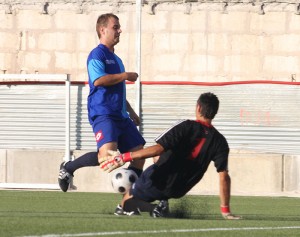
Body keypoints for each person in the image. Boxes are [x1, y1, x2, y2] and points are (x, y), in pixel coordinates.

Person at [99, 92, 241, 219]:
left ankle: (154, 208)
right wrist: (225, 211)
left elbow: (157, 149)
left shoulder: (185, 126)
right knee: (159, 168)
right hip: (181, 188)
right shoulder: (220, 141)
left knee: (126, 204)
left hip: (159, 180)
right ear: (214, 112)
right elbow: (224, 177)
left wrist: (124, 157)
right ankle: (162, 202)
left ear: (198, 108)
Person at [58, 13, 146, 203]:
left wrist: (131, 113)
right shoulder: (97, 54)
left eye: (119, 27)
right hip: (103, 113)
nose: (119, 30)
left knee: (139, 153)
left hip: (121, 116)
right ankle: (69, 167)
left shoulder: (117, 59)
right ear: (102, 30)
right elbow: (98, 80)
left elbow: (118, 90)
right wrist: (124, 75)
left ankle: (129, 200)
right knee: (107, 157)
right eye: (116, 27)